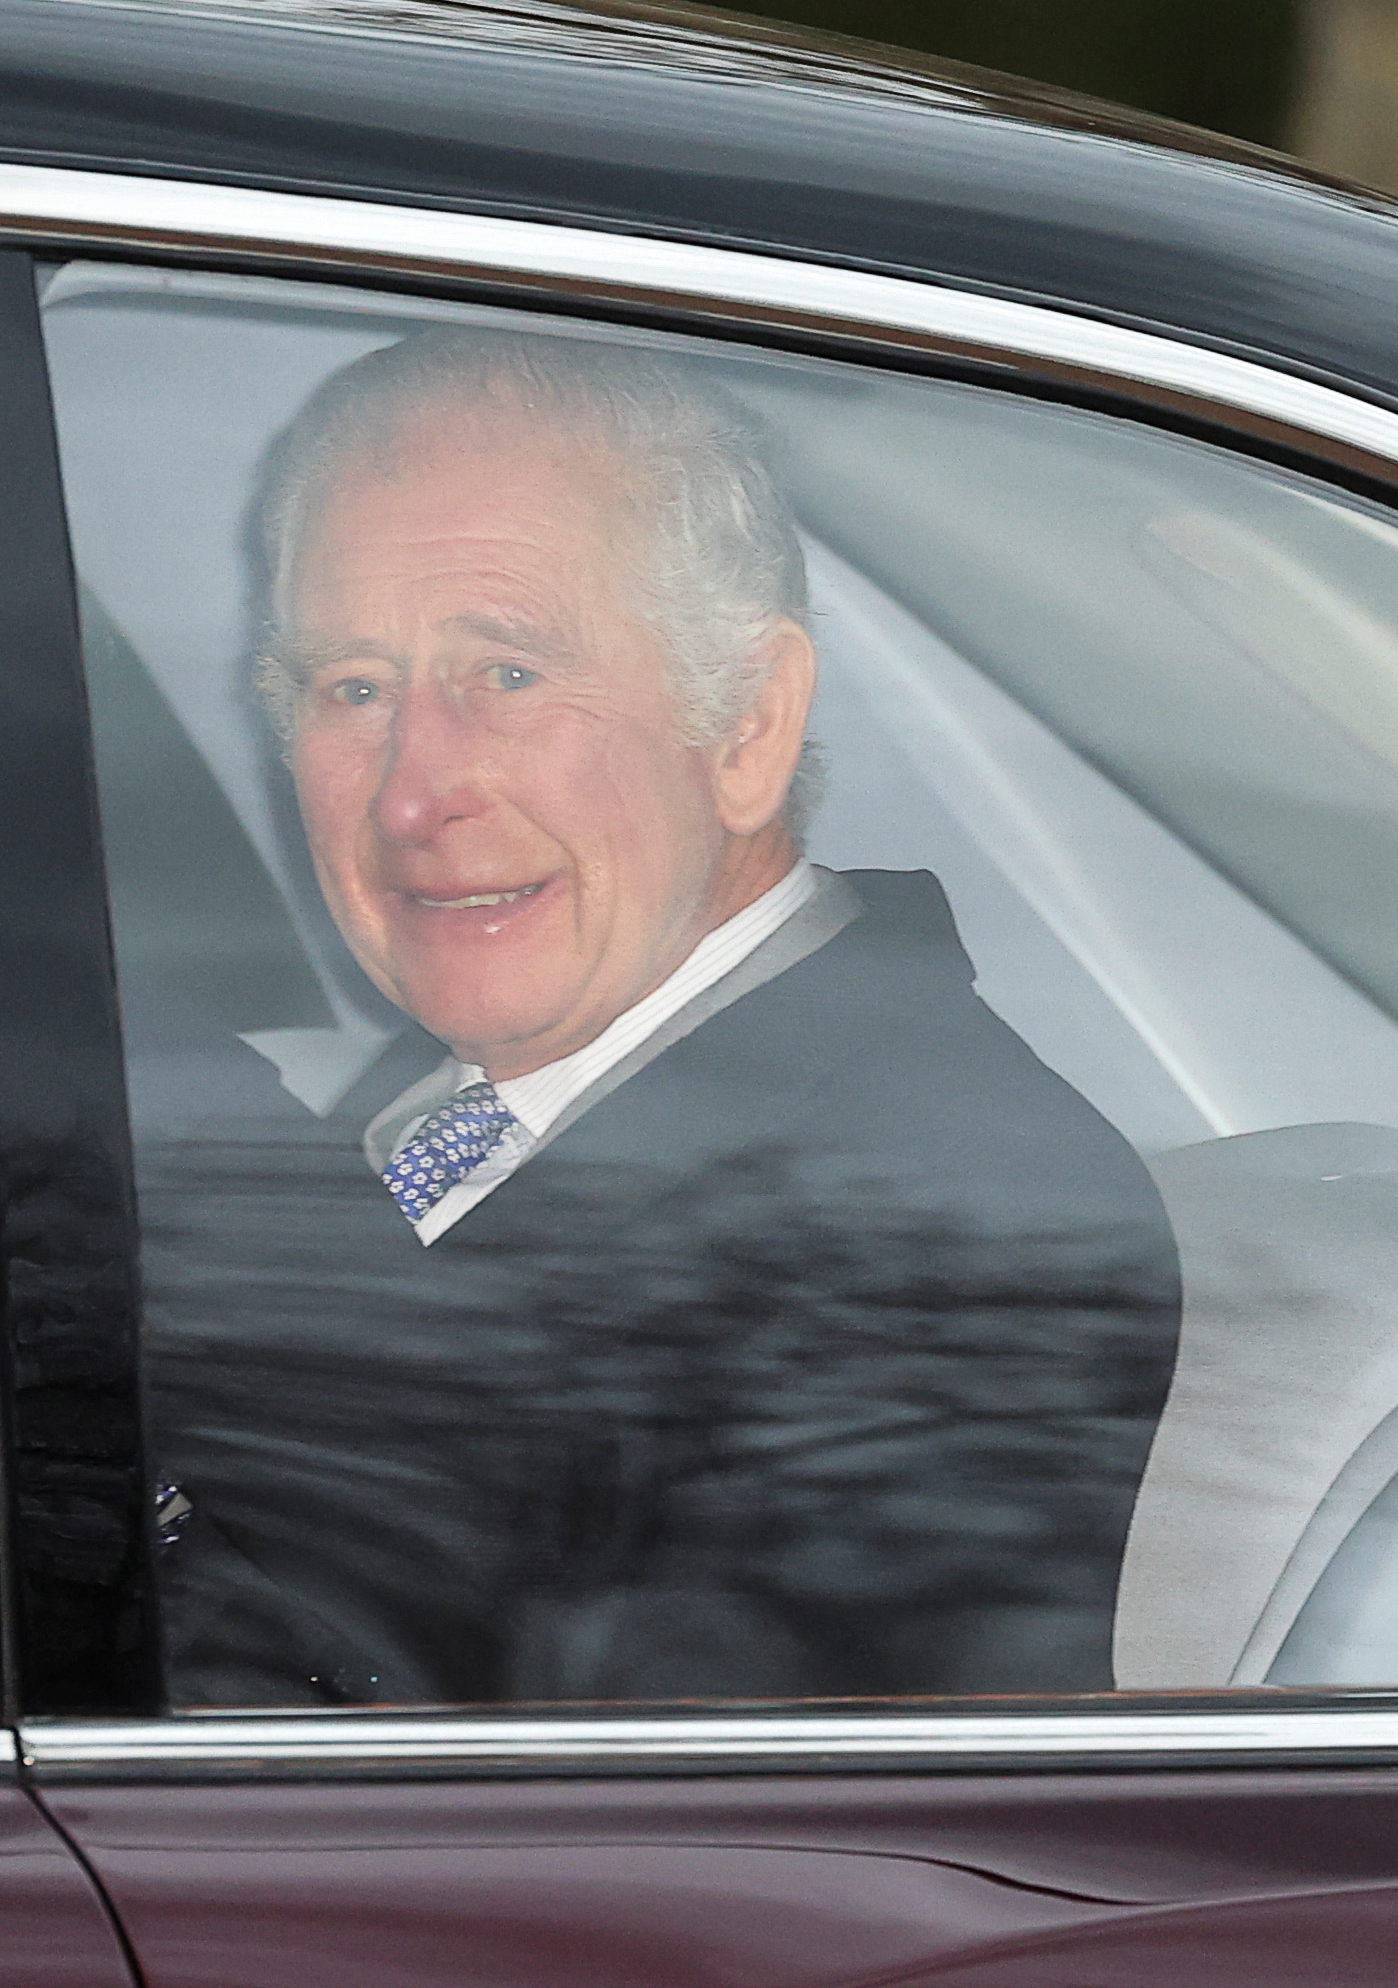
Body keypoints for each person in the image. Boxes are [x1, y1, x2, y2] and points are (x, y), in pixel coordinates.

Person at [147, 330, 1182, 1706]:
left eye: (506, 675)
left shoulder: (956, 1227)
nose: (410, 794)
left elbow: (627, 1851)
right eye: (354, 689)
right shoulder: (457, 1103)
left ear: (750, 723)